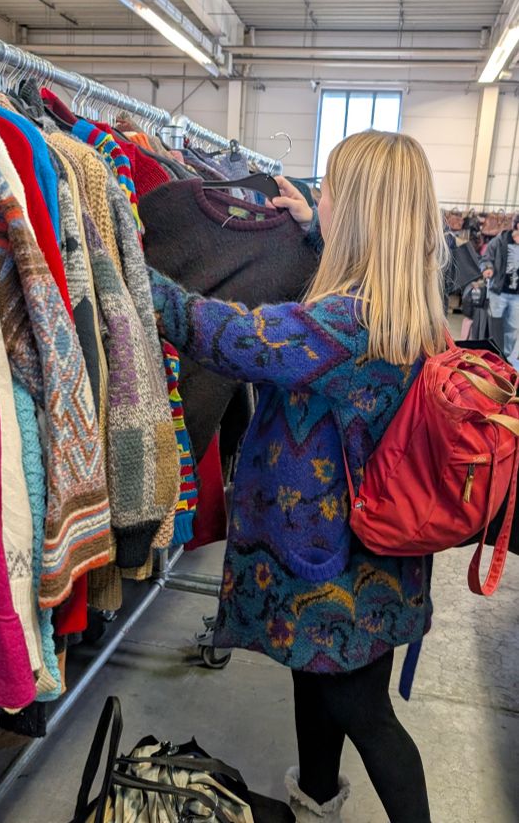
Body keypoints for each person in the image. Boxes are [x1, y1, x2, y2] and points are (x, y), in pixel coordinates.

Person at [147, 130, 444, 823]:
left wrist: (122, 269)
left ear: (363, 212)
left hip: (332, 571)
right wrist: (313, 234)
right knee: (321, 687)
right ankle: (315, 801)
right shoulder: (398, 309)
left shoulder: (342, 324)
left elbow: (226, 334)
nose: (320, 199)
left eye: (329, 191)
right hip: (368, 562)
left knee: (364, 715)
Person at [480, 214, 519, 367]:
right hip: (498, 292)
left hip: (516, 296)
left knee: (512, 329)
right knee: (494, 327)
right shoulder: (501, 240)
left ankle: (506, 360)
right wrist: (488, 268)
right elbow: (486, 258)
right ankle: (492, 358)